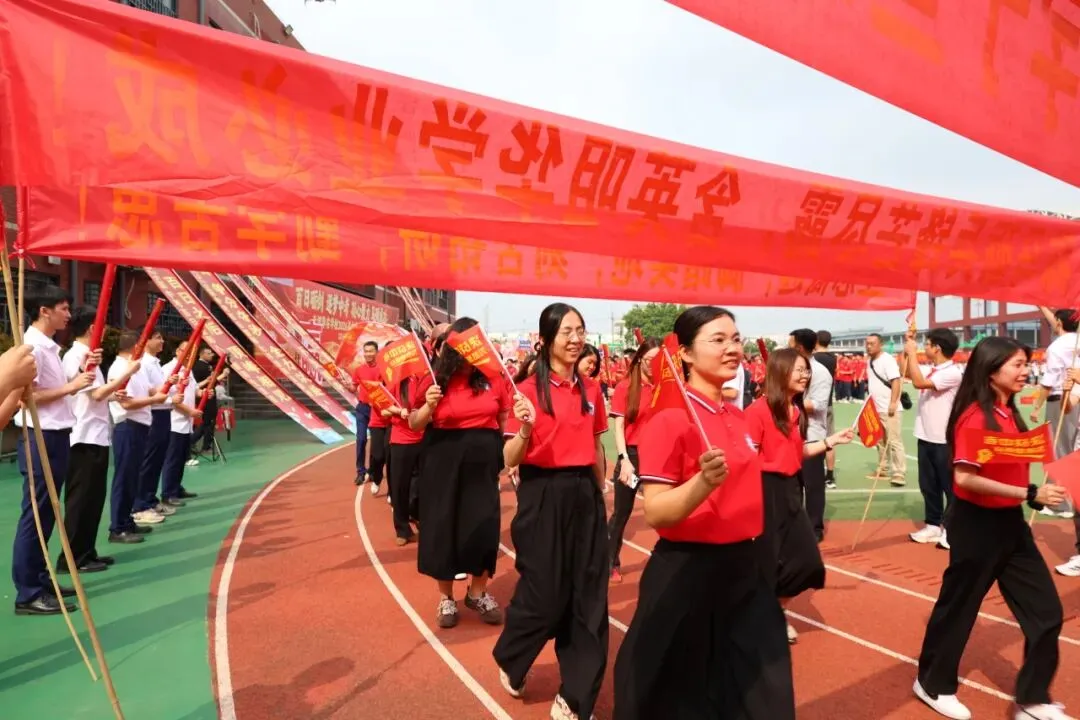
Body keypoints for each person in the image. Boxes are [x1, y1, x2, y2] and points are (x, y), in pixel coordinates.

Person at [613, 306, 794, 720]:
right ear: (687, 355)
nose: (733, 348)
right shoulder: (670, 421)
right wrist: (701, 484)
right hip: (688, 574)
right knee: (676, 696)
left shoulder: (739, 416)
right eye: (718, 340)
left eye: (735, 338)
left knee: (764, 690)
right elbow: (657, 512)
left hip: (746, 571)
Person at [914, 337, 1069, 720]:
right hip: (976, 526)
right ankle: (932, 684)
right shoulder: (974, 416)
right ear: (992, 368)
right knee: (959, 608)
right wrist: (1030, 490)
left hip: (1011, 524)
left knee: (1047, 612)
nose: (1025, 372)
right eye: (1017, 365)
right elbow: (965, 479)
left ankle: (1032, 699)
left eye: (1026, 364)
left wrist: (1030, 495)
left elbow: (1010, 464)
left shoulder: (1007, 412)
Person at [494, 303, 608, 720]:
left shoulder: (591, 389)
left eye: (580, 330)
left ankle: (575, 697)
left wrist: (601, 495)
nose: (576, 338)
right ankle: (512, 656)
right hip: (543, 495)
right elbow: (509, 456)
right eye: (567, 332)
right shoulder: (524, 392)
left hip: (585, 496)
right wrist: (524, 428)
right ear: (546, 340)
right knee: (545, 595)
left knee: (589, 599)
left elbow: (596, 448)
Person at [745, 348, 853, 645]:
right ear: (780, 373)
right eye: (799, 370)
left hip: (791, 489)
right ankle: (765, 621)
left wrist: (831, 441)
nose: (806, 376)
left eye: (807, 370)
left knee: (807, 561)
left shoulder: (794, 412)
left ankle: (773, 613)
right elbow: (748, 459)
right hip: (765, 490)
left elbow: (799, 452)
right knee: (766, 561)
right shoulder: (757, 412)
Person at [409, 317, 508, 628]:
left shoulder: (495, 377)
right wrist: (428, 406)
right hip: (443, 461)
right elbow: (414, 423)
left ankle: (478, 593)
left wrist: (503, 457)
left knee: (482, 525)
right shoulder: (434, 381)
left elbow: (502, 418)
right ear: (451, 348)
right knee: (443, 527)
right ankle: (446, 597)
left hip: (483, 460)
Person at [12, 286, 92, 616]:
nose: (68, 315)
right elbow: (27, 397)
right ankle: (28, 591)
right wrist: (72, 386)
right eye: (62, 308)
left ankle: (41, 579)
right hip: (40, 436)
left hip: (57, 435)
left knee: (47, 513)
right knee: (37, 512)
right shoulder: (31, 348)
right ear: (44, 311)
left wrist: (77, 378)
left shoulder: (49, 347)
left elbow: (52, 390)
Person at [60, 306, 139, 574]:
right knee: (80, 500)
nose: (105, 330)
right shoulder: (76, 356)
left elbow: (95, 393)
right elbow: (94, 394)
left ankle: (86, 551)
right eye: (103, 325)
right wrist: (127, 375)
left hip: (96, 434)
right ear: (93, 328)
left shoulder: (87, 355)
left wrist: (112, 395)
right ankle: (72, 558)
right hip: (83, 436)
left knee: (94, 498)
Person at [606, 338, 660, 583]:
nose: (652, 365)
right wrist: (624, 459)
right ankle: (609, 561)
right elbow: (618, 426)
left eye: (658, 361)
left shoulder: (665, 388)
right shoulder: (625, 388)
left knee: (662, 512)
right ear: (639, 360)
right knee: (622, 513)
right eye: (648, 360)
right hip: (633, 456)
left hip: (659, 457)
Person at [904, 328, 963, 549]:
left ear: (937, 347)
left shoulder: (952, 373)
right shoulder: (932, 369)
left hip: (944, 439)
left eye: (926, 344)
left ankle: (952, 528)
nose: (924, 348)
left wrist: (912, 352)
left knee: (949, 486)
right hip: (925, 435)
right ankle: (933, 524)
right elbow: (907, 372)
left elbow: (918, 383)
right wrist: (908, 347)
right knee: (928, 485)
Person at [108, 331, 168, 543]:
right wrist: (155, 400)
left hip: (140, 427)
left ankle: (127, 521)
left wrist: (165, 389)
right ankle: (117, 527)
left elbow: (149, 391)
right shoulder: (121, 369)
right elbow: (127, 403)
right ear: (135, 347)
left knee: (133, 476)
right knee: (124, 478)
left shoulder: (135, 368)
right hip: (128, 427)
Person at [790, 328, 833, 541]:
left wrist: (787, 403)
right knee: (793, 485)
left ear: (799, 347)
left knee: (813, 485)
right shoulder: (790, 369)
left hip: (812, 434)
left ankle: (815, 528)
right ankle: (795, 526)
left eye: (791, 345)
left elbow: (818, 404)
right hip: (791, 434)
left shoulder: (820, 372)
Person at [134, 330, 175, 521]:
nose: (162, 341)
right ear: (146, 339)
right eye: (158, 337)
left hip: (163, 413)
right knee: (148, 460)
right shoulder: (143, 363)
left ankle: (150, 499)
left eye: (161, 337)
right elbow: (147, 392)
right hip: (153, 414)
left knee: (157, 460)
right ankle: (140, 504)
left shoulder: (155, 363)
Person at [384, 377, 424, 546]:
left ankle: (417, 515)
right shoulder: (395, 383)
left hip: (423, 438)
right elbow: (384, 410)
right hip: (401, 440)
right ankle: (402, 529)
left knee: (421, 484)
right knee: (400, 486)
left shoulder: (424, 380)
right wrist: (399, 411)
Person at [866, 333, 907, 486]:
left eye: (872, 343)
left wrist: (893, 402)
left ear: (880, 344)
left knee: (894, 441)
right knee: (880, 440)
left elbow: (896, 381)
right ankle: (883, 469)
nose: (868, 346)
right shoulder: (869, 361)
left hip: (889, 408)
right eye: (867, 343)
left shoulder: (887, 360)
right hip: (875, 407)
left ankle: (899, 473)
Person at [160, 362, 202, 507]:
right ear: (178, 351)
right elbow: (169, 398)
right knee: (172, 460)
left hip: (186, 423)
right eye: (186, 350)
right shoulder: (169, 369)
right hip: (174, 422)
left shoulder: (189, 370)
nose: (190, 354)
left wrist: (203, 393)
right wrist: (190, 412)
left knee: (181, 459)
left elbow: (195, 390)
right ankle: (168, 493)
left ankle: (177, 488)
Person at [351, 340, 380, 486]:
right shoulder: (359, 370)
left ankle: (374, 471)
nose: (368, 354)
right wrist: (348, 386)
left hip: (377, 410)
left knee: (376, 443)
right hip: (362, 409)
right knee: (361, 439)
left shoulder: (382, 369)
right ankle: (360, 472)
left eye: (371, 351)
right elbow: (354, 387)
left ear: (376, 352)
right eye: (366, 351)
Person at [813, 331, 839, 489]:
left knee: (813, 440)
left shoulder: (813, 358)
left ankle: (815, 474)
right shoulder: (832, 358)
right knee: (830, 440)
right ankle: (830, 476)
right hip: (828, 402)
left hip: (814, 403)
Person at [188, 346, 218, 461]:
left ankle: (204, 444)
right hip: (203, 397)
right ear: (202, 354)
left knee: (208, 422)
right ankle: (195, 442)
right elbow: (197, 384)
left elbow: (212, 381)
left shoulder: (207, 366)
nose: (211, 355)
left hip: (209, 395)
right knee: (207, 422)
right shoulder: (198, 367)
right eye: (209, 353)